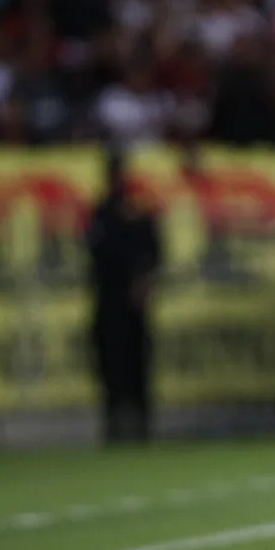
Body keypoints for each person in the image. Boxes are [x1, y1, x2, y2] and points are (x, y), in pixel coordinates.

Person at [86, 149, 162, 444]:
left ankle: (142, 421)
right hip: (108, 298)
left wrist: (144, 279)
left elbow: (153, 250)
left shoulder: (138, 210)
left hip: (134, 302)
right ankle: (113, 419)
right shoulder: (102, 212)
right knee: (109, 361)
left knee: (137, 360)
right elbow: (94, 254)